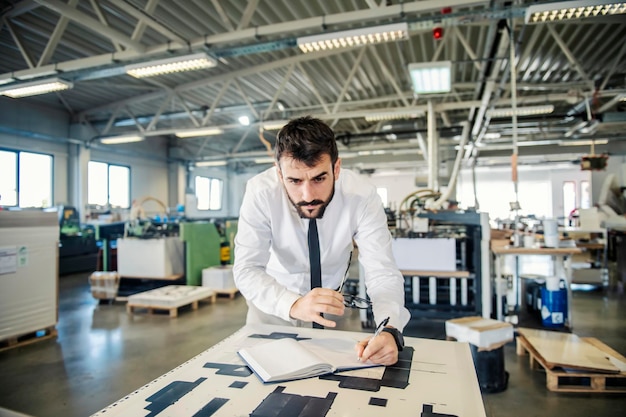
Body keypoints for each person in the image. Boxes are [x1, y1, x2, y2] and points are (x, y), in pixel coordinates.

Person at [233, 116, 410, 366]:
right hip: (271, 306)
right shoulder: (260, 193)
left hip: (331, 307)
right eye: (294, 181)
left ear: (336, 169)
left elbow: (382, 270)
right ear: (279, 173)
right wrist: (292, 304)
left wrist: (389, 329)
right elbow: (246, 268)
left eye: (319, 178)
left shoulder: (361, 196)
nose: (307, 195)